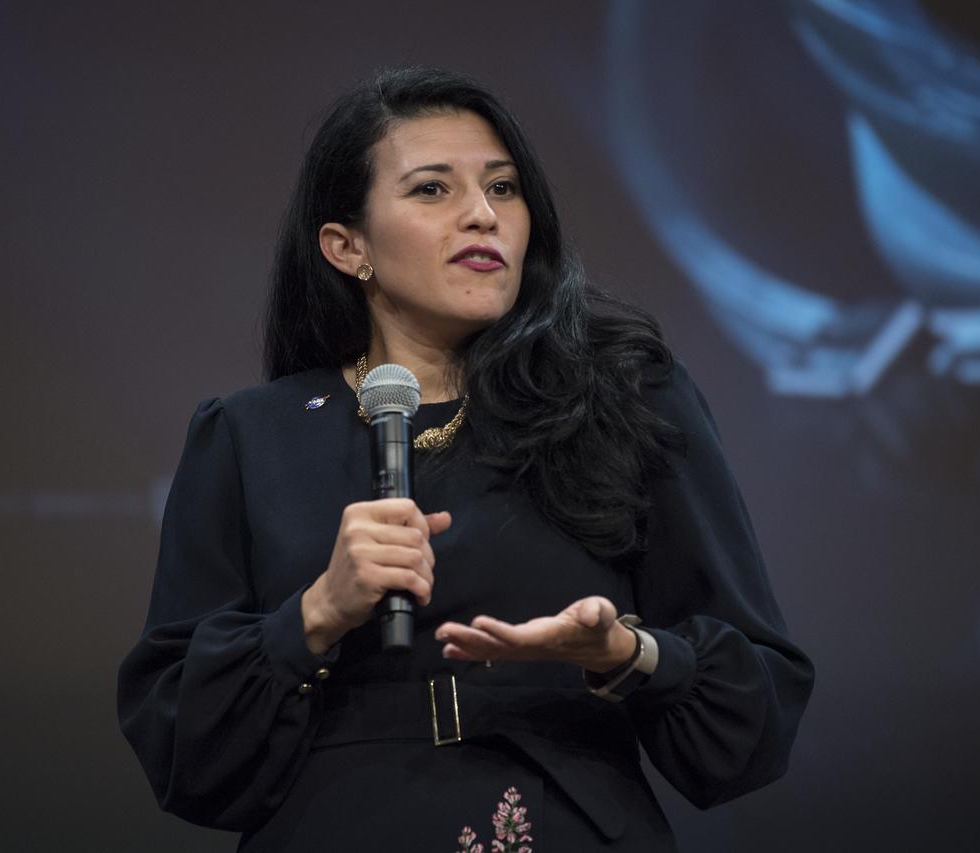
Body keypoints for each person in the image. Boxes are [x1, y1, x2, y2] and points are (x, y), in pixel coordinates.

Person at [117, 66, 814, 852]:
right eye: (432, 190)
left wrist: (628, 654)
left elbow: (757, 712)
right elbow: (182, 749)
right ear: (348, 247)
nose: (483, 214)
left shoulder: (626, 400)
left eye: (503, 188)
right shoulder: (250, 436)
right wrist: (315, 613)